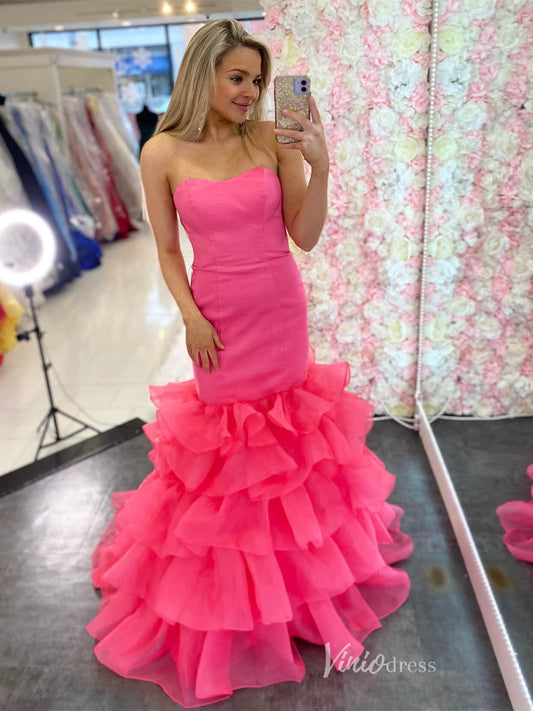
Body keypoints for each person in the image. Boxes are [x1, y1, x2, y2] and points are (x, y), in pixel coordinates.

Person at [86, 18, 413, 708]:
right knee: (224, 455)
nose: (249, 91)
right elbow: (167, 249)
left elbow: (304, 235)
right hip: (218, 317)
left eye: (257, 80)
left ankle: (296, 591)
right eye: (237, 77)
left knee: (287, 448)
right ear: (202, 74)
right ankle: (234, 590)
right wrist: (190, 315)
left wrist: (321, 166)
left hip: (279, 308)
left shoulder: (269, 136)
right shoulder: (161, 151)